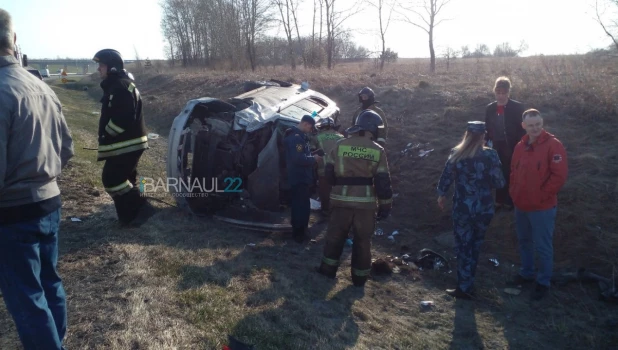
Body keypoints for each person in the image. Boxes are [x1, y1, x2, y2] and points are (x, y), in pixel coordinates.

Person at [0, 8, 74, 349]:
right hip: (50, 203)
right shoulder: (39, 85)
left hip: (13, 213)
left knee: (27, 297)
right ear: (14, 40)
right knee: (48, 281)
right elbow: (67, 149)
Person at [317, 110, 393, 287]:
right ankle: (359, 279)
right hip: (365, 206)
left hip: (340, 200)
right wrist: (385, 206)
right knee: (363, 241)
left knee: (335, 236)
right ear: (373, 128)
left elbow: (328, 172)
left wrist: (339, 185)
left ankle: (327, 271)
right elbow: (382, 181)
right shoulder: (378, 150)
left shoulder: (340, 145)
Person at [436, 121, 505, 299]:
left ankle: (464, 286)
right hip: (484, 209)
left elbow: (445, 179)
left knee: (463, 246)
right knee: (476, 245)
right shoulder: (491, 155)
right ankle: (468, 284)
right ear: (484, 135)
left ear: (466, 134)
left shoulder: (456, 153)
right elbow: (499, 183)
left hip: (463, 208)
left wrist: (441, 195)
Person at [507, 109, 568, 301]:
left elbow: (559, 177)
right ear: (523, 126)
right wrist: (513, 192)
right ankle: (526, 273)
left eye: (538, 124)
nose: (535, 128)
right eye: (531, 125)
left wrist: (541, 196)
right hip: (521, 204)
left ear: (542, 123)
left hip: (542, 207)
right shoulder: (520, 145)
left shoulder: (554, 145)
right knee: (524, 241)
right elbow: (513, 171)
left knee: (543, 245)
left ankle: (543, 281)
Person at [93, 49, 155, 227]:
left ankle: (142, 209)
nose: (99, 69)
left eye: (102, 65)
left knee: (112, 179)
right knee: (126, 179)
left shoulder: (119, 86)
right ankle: (130, 217)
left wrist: (106, 134)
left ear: (112, 68)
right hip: (127, 143)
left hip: (127, 143)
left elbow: (123, 118)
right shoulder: (117, 84)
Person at [485, 76, 525, 210]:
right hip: (495, 145)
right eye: (498, 92)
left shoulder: (517, 107)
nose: (501, 96)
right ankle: (499, 200)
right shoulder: (490, 108)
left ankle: (510, 200)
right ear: (494, 91)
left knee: (510, 171)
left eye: (504, 93)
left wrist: (521, 145)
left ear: (508, 92)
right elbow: (487, 127)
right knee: (497, 171)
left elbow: (522, 128)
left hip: (512, 145)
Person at [283, 115, 322, 243]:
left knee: (300, 204)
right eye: (310, 127)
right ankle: (299, 233)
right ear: (305, 124)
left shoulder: (297, 136)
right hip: (299, 176)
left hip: (299, 176)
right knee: (301, 205)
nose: (311, 130)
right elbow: (298, 159)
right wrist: (314, 159)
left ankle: (299, 231)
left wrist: (312, 153)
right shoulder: (296, 138)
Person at [311, 116, 344, 214]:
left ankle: (325, 210)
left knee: (325, 191)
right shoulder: (341, 137)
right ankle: (338, 210)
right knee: (338, 190)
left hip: (323, 170)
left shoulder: (316, 137)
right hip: (339, 170)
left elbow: (312, 152)